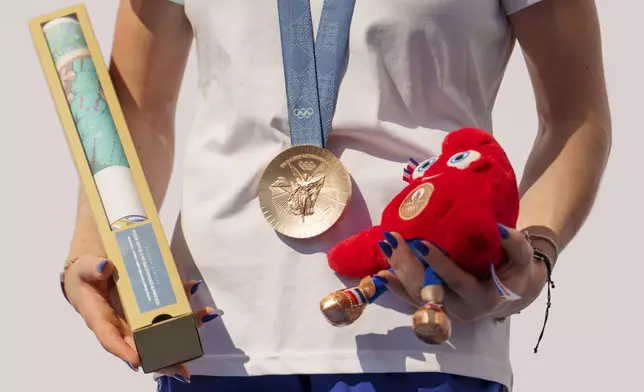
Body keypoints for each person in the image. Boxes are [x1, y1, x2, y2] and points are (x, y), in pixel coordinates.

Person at [60, 0, 611, 391]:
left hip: (423, 335)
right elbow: (140, 112)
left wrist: (534, 258)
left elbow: (573, 116)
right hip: (215, 343)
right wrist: (92, 250)